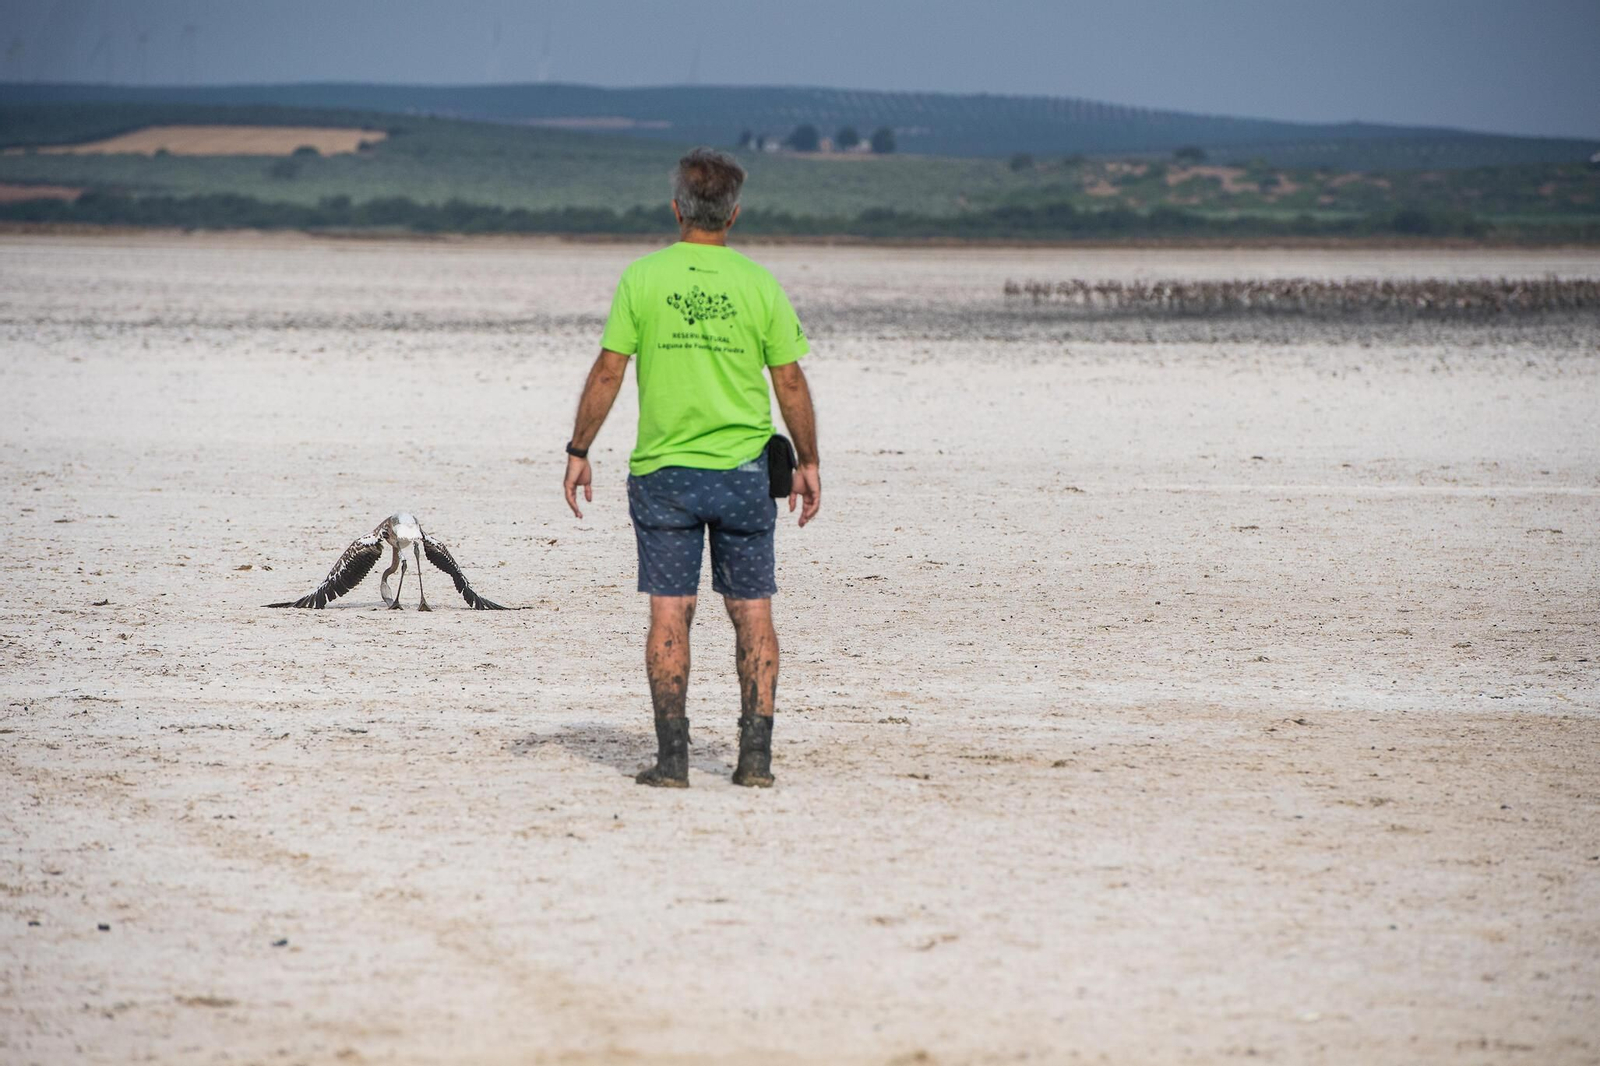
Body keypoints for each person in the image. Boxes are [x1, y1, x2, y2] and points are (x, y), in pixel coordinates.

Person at [561, 147, 822, 789]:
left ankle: (673, 763)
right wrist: (809, 459)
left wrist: (578, 449)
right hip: (743, 474)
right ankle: (754, 762)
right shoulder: (759, 283)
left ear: (677, 209)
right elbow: (788, 380)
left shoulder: (643, 278)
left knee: (669, 612)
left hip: (665, 475)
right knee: (754, 614)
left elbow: (608, 371)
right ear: (734, 215)